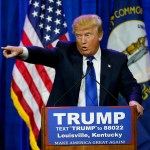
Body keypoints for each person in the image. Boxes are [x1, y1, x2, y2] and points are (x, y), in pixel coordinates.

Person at [1, 14, 144, 147]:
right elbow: (43, 54)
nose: (82, 41)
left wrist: (134, 101)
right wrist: (22, 51)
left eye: (88, 35)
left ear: (99, 35)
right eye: (78, 36)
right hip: (65, 133)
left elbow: (131, 86)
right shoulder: (65, 51)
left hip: (103, 133)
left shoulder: (116, 60)